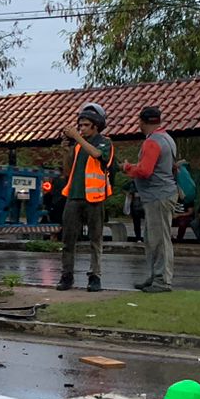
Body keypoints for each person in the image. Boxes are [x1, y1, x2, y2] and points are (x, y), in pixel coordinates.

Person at [56, 102, 114, 292]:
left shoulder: (105, 142)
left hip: (95, 198)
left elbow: (97, 154)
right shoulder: (78, 147)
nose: (80, 129)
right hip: (73, 197)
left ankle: (95, 276)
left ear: (96, 126)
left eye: (85, 125)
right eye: (79, 126)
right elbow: (67, 171)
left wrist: (77, 138)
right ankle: (67, 275)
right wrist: (66, 151)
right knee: (68, 239)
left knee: (95, 240)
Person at [122, 105, 179, 292]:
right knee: (152, 238)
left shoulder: (152, 142)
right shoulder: (167, 139)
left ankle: (162, 281)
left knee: (159, 240)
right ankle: (155, 276)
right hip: (162, 193)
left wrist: (128, 168)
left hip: (157, 195)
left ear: (141, 121)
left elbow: (145, 170)